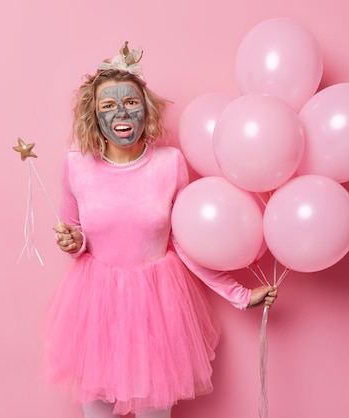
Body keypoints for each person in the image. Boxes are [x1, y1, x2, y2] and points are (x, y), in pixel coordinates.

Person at [46, 42, 278, 418]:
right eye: (108, 105)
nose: (121, 112)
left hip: (158, 306)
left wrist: (238, 294)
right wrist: (72, 242)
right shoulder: (76, 166)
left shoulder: (170, 164)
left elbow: (186, 243)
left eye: (131, 103)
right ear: (94, 115)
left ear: (145, 110)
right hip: (95, 307)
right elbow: (76, 236)